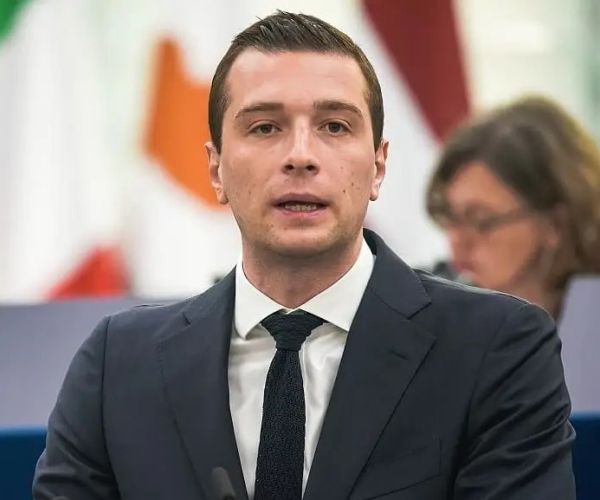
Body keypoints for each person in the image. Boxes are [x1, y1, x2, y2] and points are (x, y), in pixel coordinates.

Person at [33, 12, 575, 500]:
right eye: (265, 127)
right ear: (215, 169)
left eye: (334, 126)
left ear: (379, 167)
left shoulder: (496, 348)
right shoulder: (118, 365)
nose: (300, 156)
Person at [426, 96, 600, 318]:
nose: (457, 241)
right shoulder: (429, 304)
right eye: (451, 217)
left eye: (481, 221)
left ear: (554, 223)